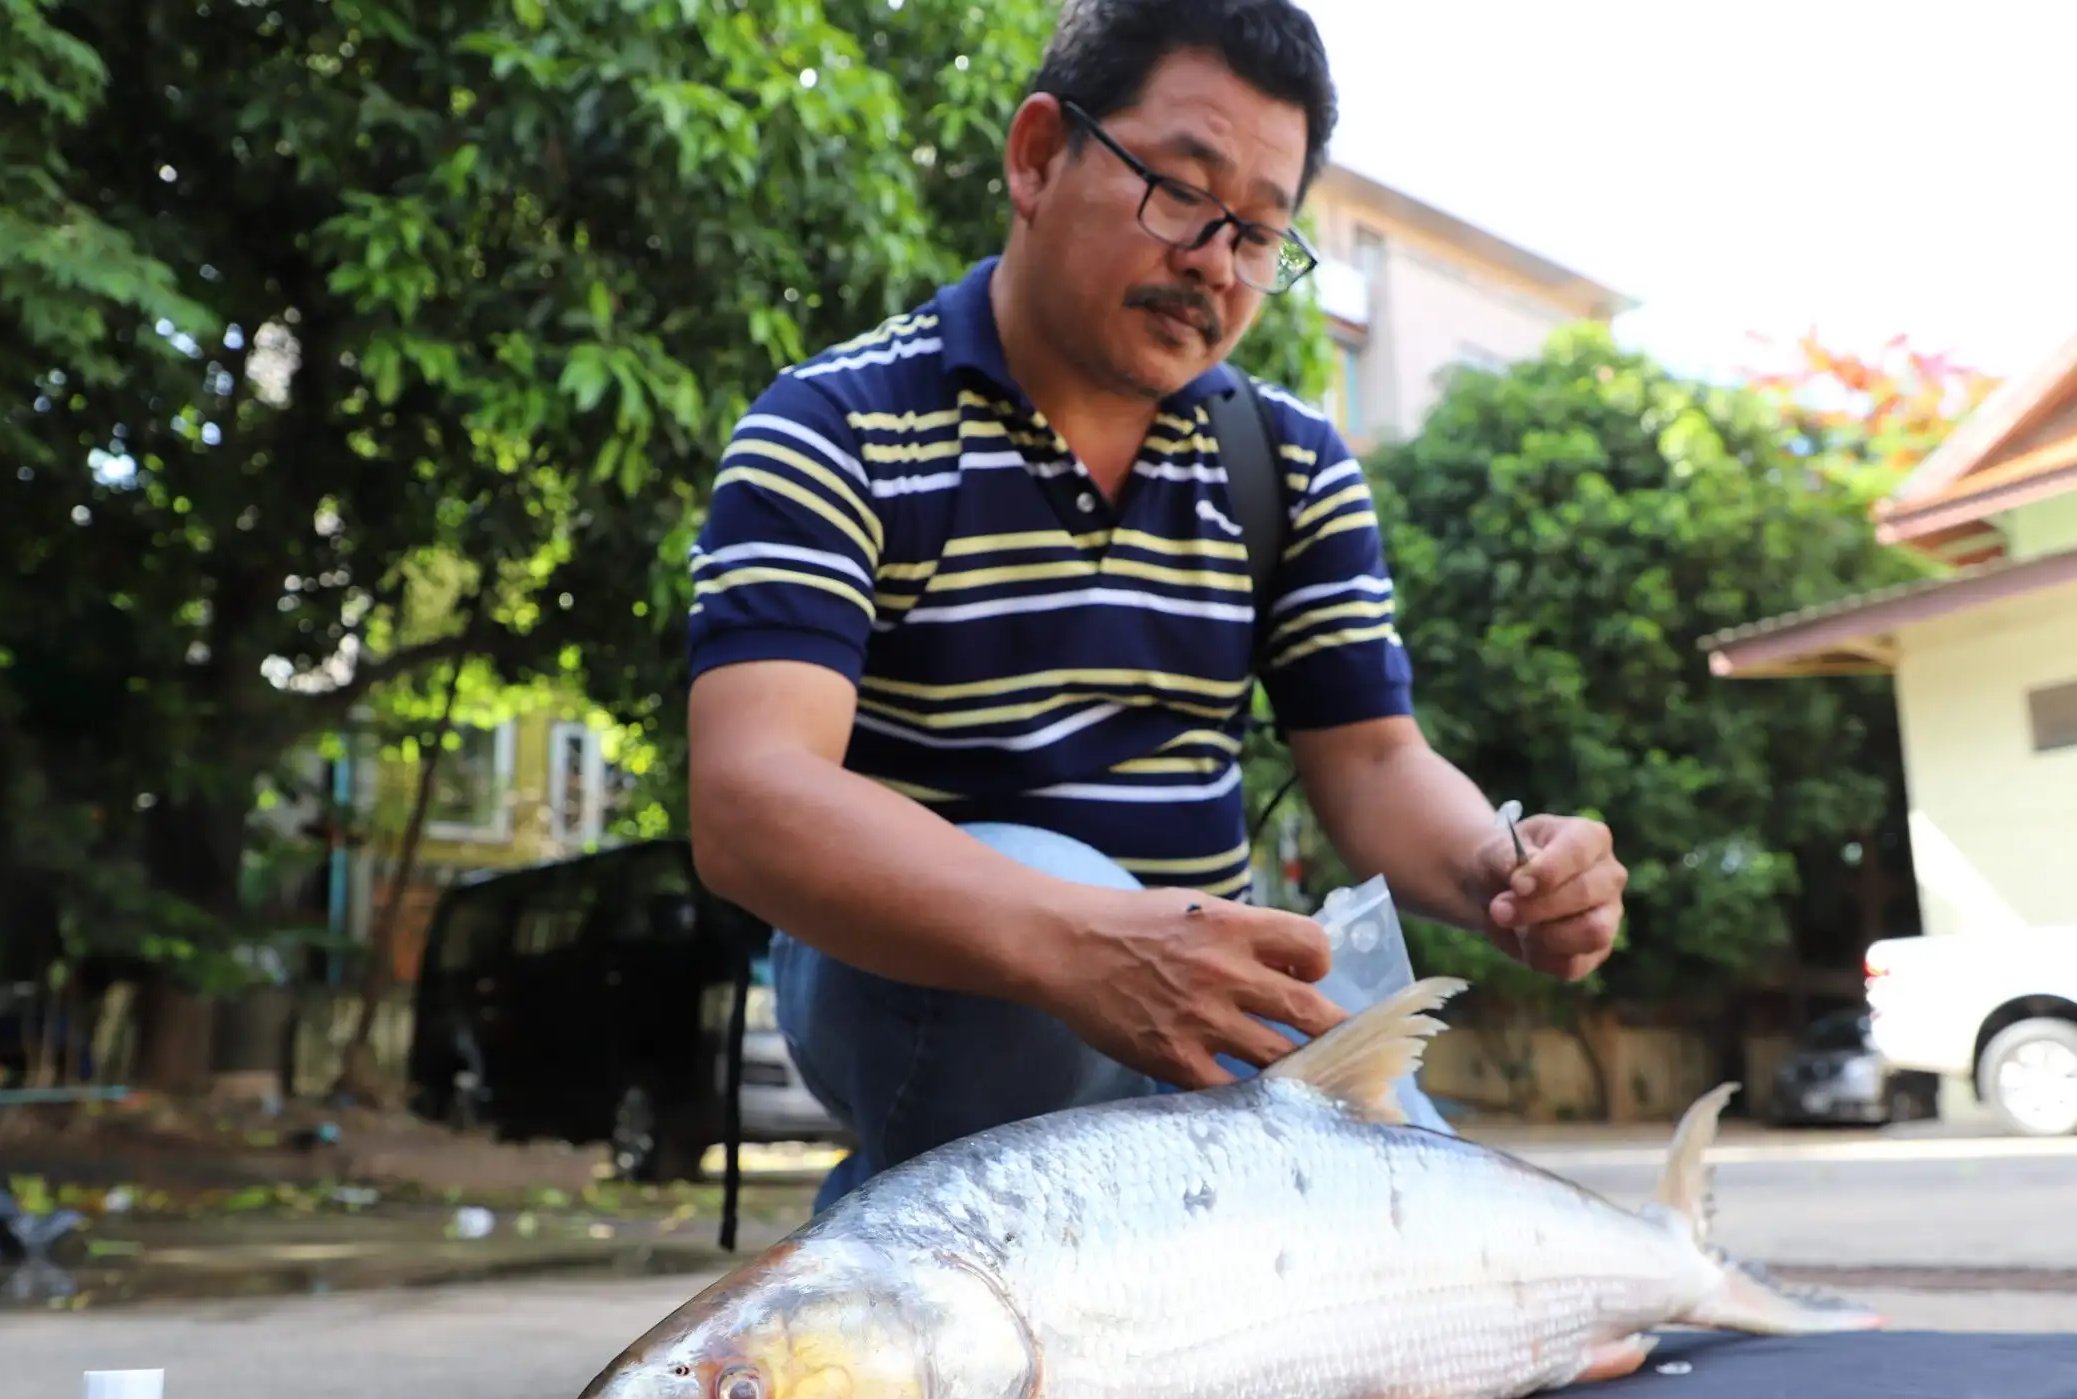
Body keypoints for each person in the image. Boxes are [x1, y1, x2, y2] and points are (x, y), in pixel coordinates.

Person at [684, 0, 1627, 1212]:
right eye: (1180, 193)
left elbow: (1378, 765)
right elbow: (752, 799)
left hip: (1204, 990)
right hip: (928, 983)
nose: (1212, 263)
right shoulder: (835, 428)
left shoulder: (1288, 465)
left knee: (1447, 1233)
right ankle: (929, 1252)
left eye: (1256, 235)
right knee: (1030, 884)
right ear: (1036, 157)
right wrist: (1092, 940)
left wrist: (1510, 869)